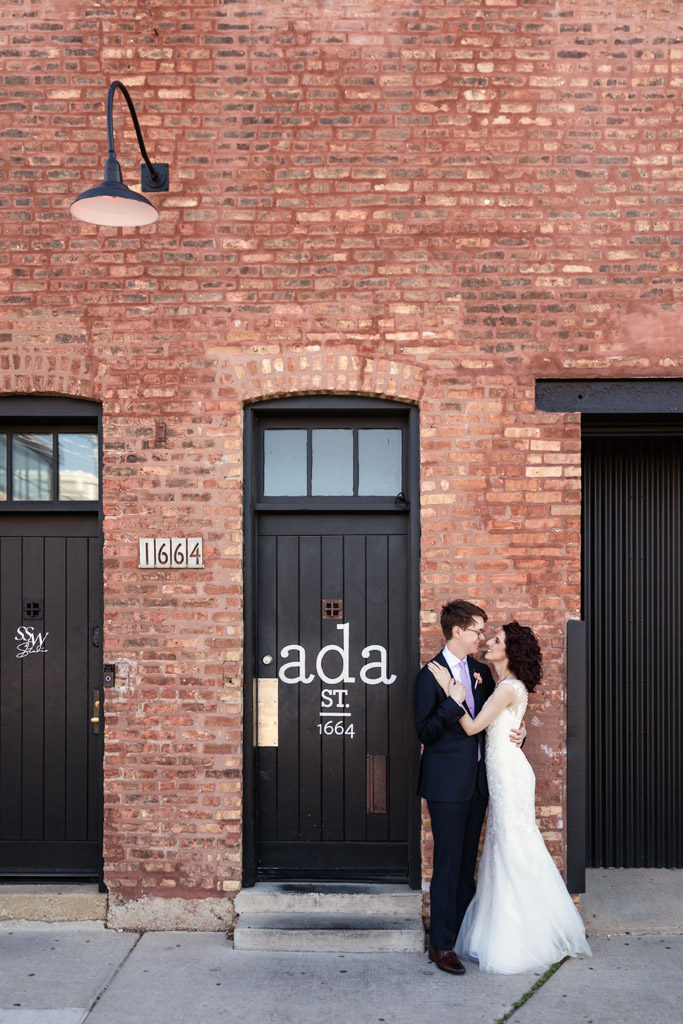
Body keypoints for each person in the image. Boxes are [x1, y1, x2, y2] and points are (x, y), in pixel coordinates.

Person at [428, 621, 592, 974]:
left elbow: (472, 727)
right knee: (506, 846)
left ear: (509, 651)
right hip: (500, 772)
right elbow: (504, 725)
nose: (488, 641)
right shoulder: (500, 684)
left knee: (513, 846)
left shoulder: (507, 687)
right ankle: (520, 927)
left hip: (508, 775)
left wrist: (451, 693)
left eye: (496, 640)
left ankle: (524, 934)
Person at [413, 599, 526, 976]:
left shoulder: (481, 670)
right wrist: (452, 702)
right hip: (446, 784)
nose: (482, 635)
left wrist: (518, 735)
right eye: (478, 629)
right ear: (457, 631)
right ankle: (440, 945)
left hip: (479, 783)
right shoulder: (429, 674)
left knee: (466, 866)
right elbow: (424, 731)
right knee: (447, 863)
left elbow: (493, 722)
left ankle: (461, 936)